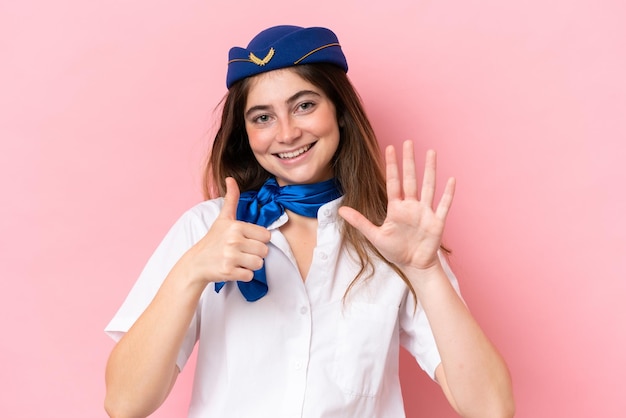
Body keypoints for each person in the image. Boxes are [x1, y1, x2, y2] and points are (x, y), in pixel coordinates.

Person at [104, 25, 514, 418]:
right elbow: (125, 404)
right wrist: (190, 271)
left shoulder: (394, 238)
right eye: (262, 117)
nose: (286, 133)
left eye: (304, 105)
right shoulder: (206, 230)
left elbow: (491, 408)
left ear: (340, 112)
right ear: (244, 134)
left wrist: (425, 273)